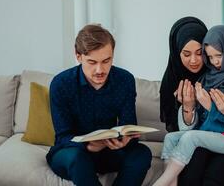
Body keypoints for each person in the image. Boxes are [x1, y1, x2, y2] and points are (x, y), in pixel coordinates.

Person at [46, 24, 152, 186]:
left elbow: (128, 125)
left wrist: (125, 141)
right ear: (78, 56)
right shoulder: (61, 84)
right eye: (91, 62)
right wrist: (89, 146)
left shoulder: (125, 80)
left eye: (106, 61)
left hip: (109, 151)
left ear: (112, 55)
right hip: (73, 152)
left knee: (142, 153)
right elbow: (63, 137)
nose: (99, 70)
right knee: (76, 158)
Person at [159, 17, 224, 186]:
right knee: (190, 173)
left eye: (200, 53)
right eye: (186, 53)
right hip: (198, 142)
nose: (194, 60)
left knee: (215, 175)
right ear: (176, 52)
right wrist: (188, 108)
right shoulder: (173, 82)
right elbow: (181, 134)